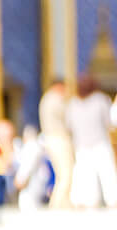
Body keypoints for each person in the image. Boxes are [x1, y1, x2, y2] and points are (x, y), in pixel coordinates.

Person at [67, 75, 117, 208]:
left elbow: (69, 126)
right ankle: (113, 202)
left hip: (81, 146)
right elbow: (112, 122)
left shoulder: (73, 103)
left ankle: (85, 202)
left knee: (85, 175)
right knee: (107, 174)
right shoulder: (100, 100)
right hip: (100, 144)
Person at [39, 78, 74, 209]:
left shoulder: (46, 99)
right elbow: (69, 117)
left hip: (52, 139)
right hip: (58, 138)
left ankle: (62, 202)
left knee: (63, 173)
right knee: (66, 173)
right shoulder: (54, 99)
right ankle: (58, 204)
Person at [14, 125, 51, 212]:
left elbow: (25, 170)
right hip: (38, 187)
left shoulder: (31, 147)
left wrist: (19, 180)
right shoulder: (38, 147)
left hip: (31, 189)